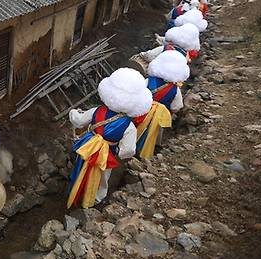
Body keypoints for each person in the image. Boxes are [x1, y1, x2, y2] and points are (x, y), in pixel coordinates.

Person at [67, 68, 152, 209]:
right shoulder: (129, 126)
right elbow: (128, 150)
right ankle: (95, 200)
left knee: (80, 166)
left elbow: (78, 121)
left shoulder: (97, 111)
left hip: (87, 146)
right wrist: (119, 152)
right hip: (107, 153)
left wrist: (73, 112)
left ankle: (75, 189)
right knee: (102, 176)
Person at [134, 51, 190, 159]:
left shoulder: (148, 80)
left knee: (135, 128)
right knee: (156, 133)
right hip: (158, 116)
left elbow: (138, 93)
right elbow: (176, 106)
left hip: (143, 110)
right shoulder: (175, 89)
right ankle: (150, 151)